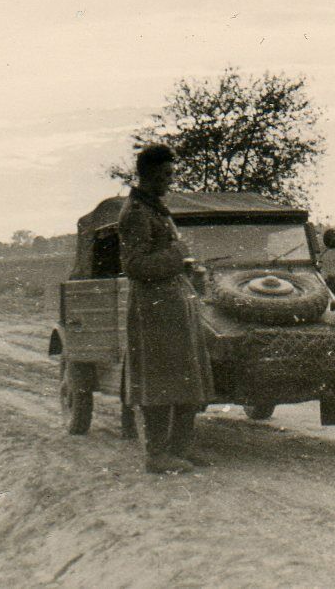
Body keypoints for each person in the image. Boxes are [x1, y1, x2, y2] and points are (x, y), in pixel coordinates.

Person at [118, 144, 213, 474]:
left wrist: (182, 263)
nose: (170, 181)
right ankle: (157, 455)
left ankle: (180, 449)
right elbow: (134, 265)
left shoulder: (155, 209)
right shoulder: (135, 213)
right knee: (160, 380)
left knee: (188, 376)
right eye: (165, 175)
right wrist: (177, 256)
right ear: (148, 174)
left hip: (173, 304)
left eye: (171, 174)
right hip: (155, 309)